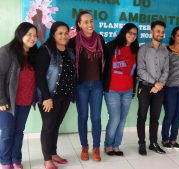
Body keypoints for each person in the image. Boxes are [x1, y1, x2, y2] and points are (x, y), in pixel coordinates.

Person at [35, 21, 75, 169]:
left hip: (65, 96)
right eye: (60, 33)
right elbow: (39, 76)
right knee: (48, 127)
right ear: (53, 35)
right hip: (49, 97)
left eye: (66, 33)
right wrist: (46, 97)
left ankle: (53, 153)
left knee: (56, 126)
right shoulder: (46, 50)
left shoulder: (69, 51)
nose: (64, 36)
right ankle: (47, 160)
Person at [68, 10, 106, 161]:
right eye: (85, 22)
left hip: (97, 85)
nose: (90, 24)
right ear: (79, 24)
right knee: (83, 117)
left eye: (91, 21)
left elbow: (106, 61)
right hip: (81, 86)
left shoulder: (100, 39)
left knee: (96, 117)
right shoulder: (73, 41)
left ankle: (96, 147)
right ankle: (84, 146)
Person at [0, 22, 37, 169]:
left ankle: (16, 159)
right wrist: (1, 98)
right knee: (8, 132)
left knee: (19, 132)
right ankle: (5, 161)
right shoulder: (7, 51)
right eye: (29, 35)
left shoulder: (34, 53)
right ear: (20, 34)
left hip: (26, 100)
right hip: (8, 100)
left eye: (35, 35)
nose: (32, 38)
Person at [103, 23, 139, 156]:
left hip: (128, 91)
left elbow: (135, 72)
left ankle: (116, 145)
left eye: (135, 34)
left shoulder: (136, 50)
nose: (132, 36)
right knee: (115, 118)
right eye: (130, 32)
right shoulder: (112, 46)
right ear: (123, 32)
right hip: (112, 90)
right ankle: (108, 145)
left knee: (123, 119)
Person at [137, 20, 169, 155]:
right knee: (142, 116)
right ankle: (142, 143)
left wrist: (159, 84)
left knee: (155, 117)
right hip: (145, 88)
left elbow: (166, 70)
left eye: (162, 32)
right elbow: (140, 70)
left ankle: (153, 143)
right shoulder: (143, 49)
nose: (160, 34)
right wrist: (155, 83)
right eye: (158, 31)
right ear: (151, 32)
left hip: (159, 90)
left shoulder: (165, 50)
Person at [161, 27, 179, 150]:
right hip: (170, 87)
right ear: (173, 36)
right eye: (178, 35)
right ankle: (165, 139)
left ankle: (173, 139)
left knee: (178, 114)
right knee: (170, 114)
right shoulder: (166, 49)